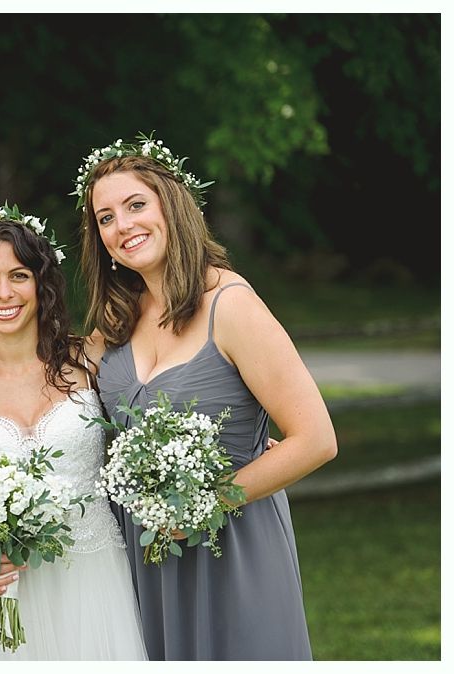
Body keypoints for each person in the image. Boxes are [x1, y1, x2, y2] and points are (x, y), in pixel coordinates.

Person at [74, 134, 338, 660]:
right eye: (105, 218)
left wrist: (204, 505)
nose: (122, 226)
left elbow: (316, 440)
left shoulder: (232, 306)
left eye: (135, 205)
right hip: (144, 560)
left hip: (234, 550)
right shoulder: (116, 321)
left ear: (172, 206)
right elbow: (45, 387)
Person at [0, 205, 147, 660]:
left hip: (96, 576)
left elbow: (152, 403)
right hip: (9, 591)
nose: (3, 292)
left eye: (18, 275)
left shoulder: (89, 360)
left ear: (41, 282)